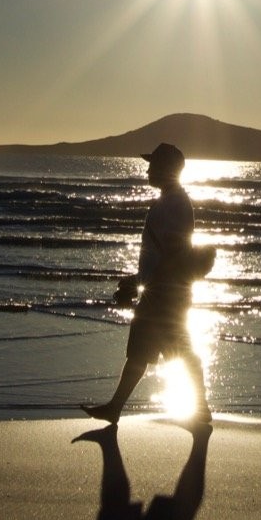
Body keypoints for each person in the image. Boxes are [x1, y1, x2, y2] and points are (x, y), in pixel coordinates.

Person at [86, 142, 211, 423]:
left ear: (166, 170)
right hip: (166, 291)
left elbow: (173, 254)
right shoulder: (173, 201)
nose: (148, 170)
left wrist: (143, 286)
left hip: (165, 294)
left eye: (152, 165)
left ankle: (199, 407)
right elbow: (164, 254)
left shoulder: (174, 204)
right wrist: (137, 281)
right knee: (151, 352)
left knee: (170, 351)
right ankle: (116, 408)